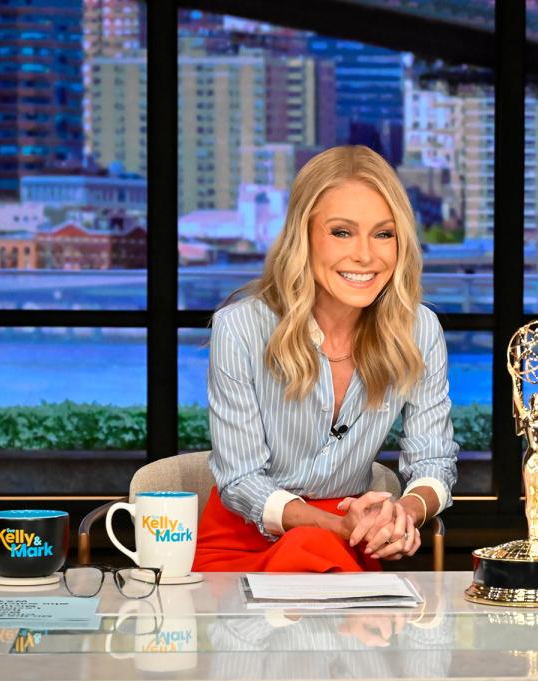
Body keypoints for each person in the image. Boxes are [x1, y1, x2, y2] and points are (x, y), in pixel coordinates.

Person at [194, 145, 458, 573]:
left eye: (384, 234)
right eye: (341, 232)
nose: (365, 255)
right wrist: (336, 526)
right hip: (242, 544)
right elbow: (240, 480)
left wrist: (403, 514)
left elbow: (434, 461)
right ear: (303, 235)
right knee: (315, 555)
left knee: (324, 563)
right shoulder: (239, 328)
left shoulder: (419, 329)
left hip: (351, 541)